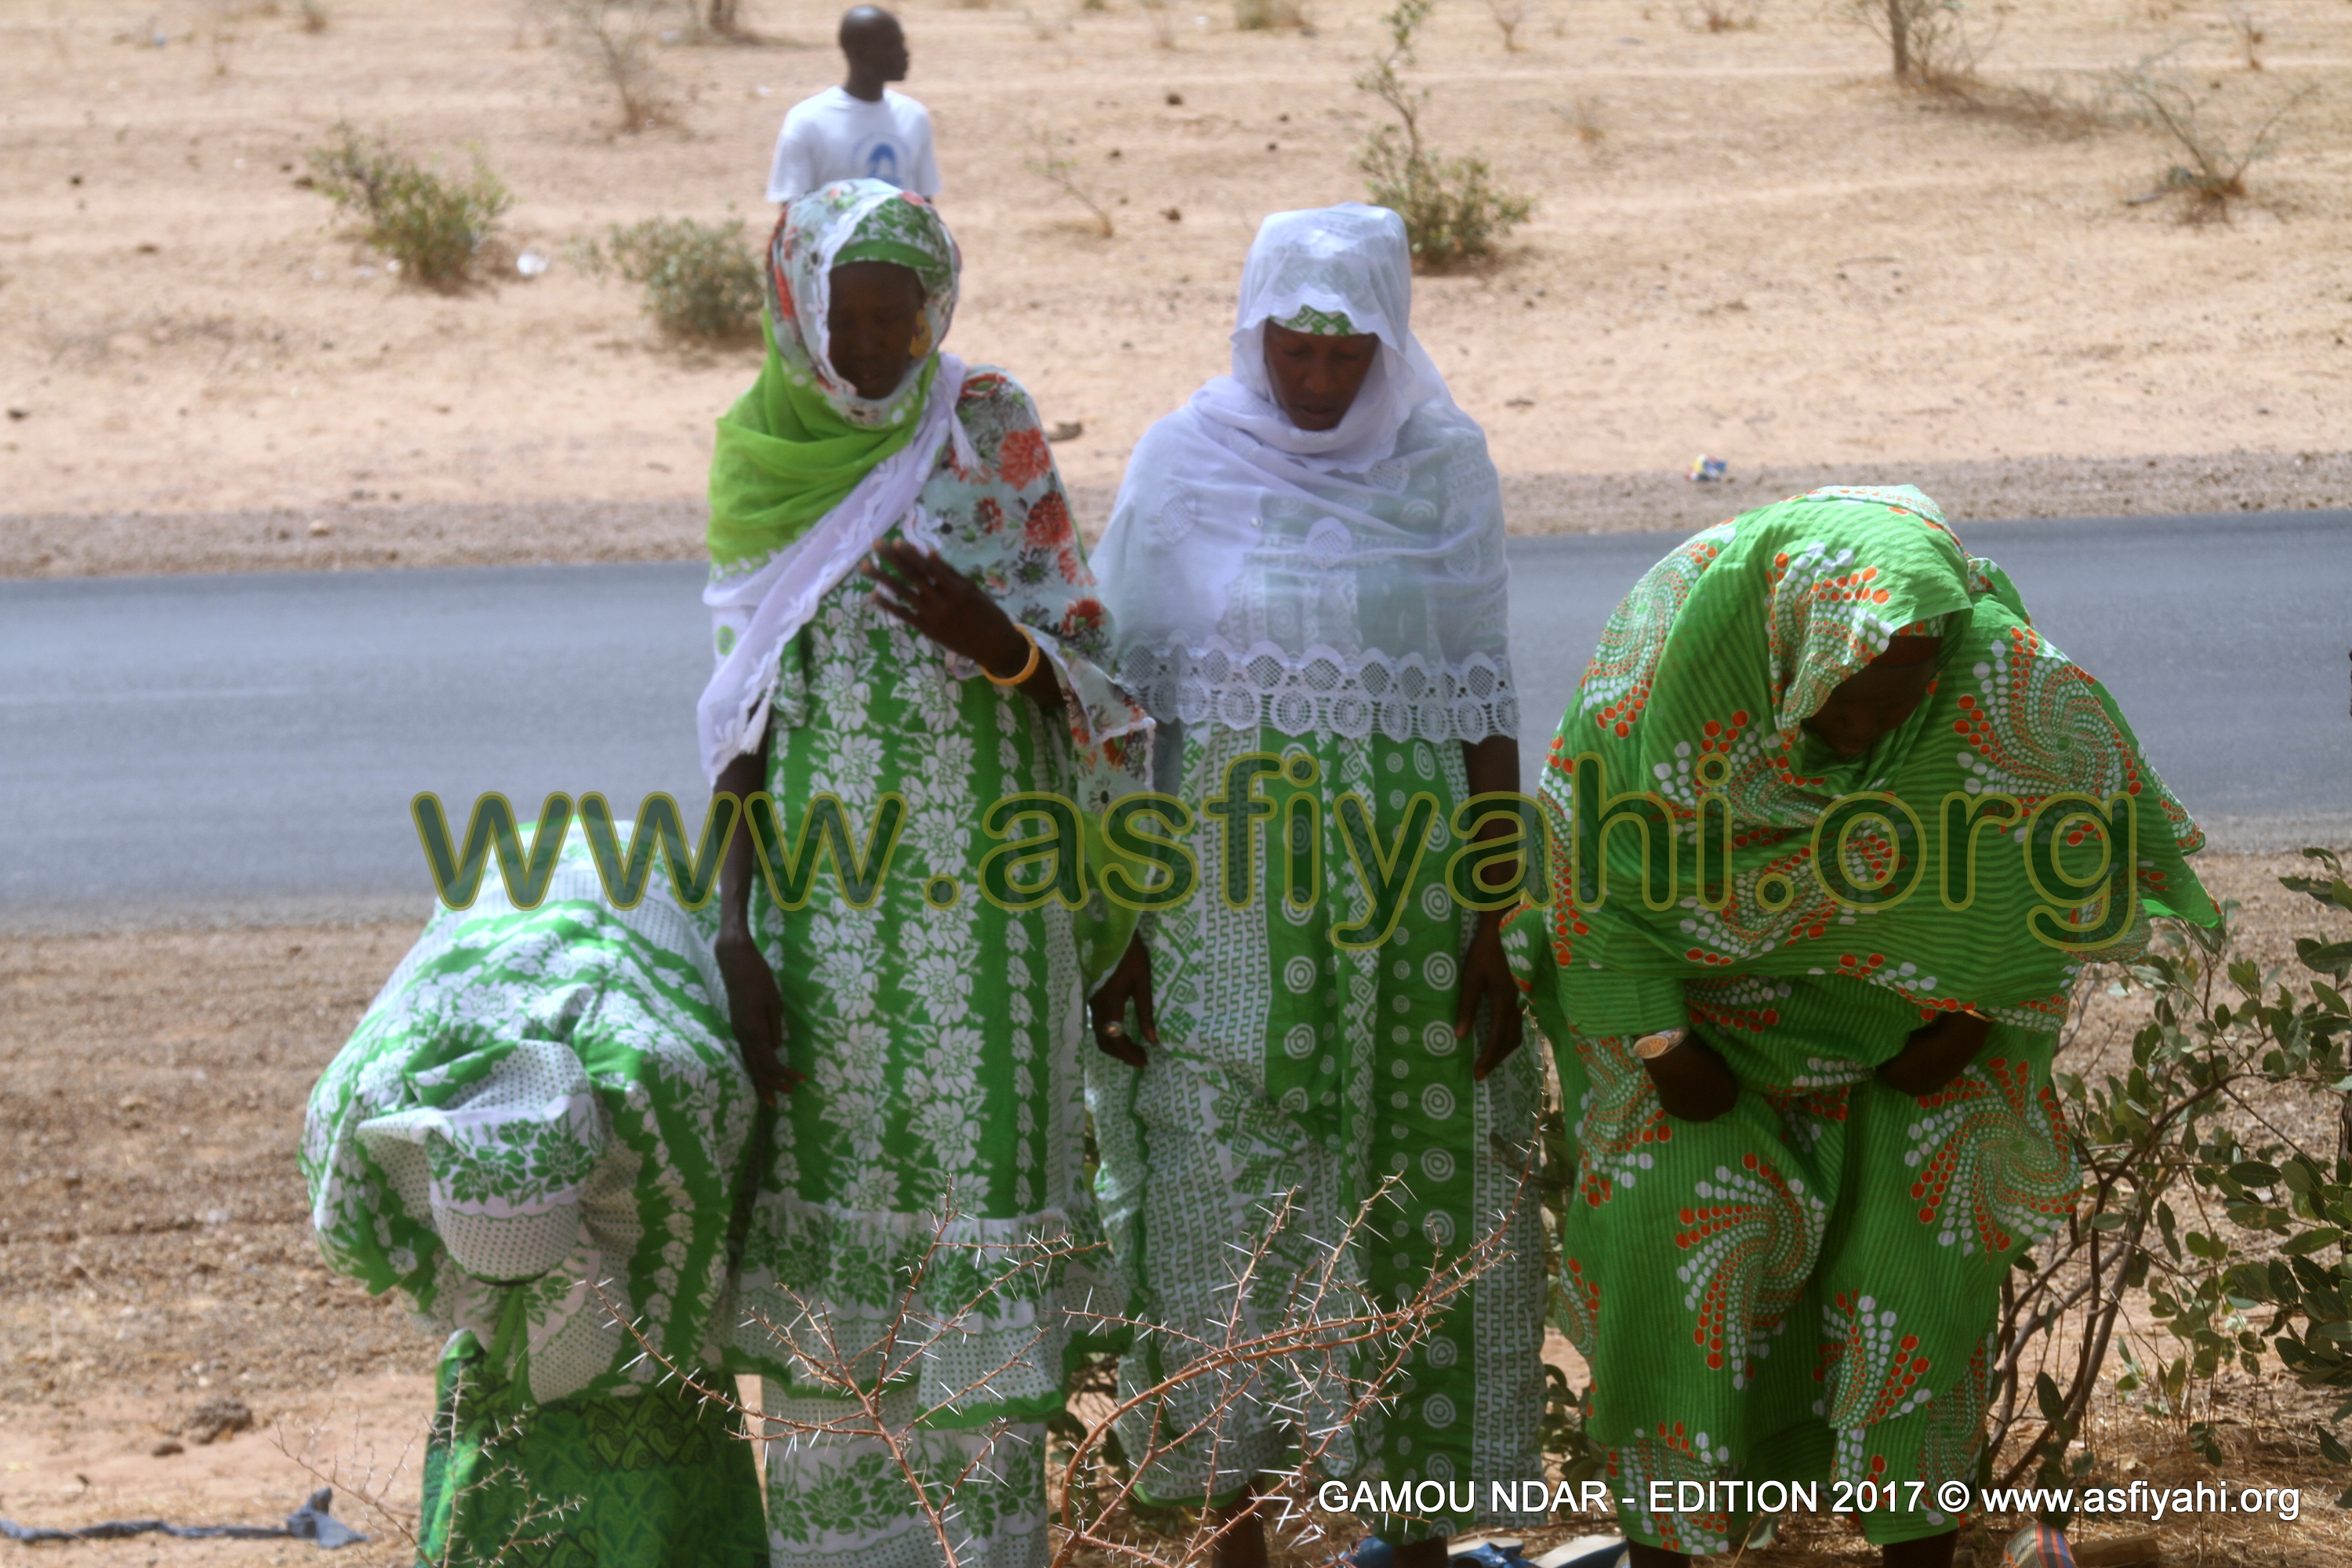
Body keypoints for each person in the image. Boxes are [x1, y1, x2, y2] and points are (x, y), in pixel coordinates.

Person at [1503, 486, 2217, 1568]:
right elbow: (1586, 868)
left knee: (1915, 1272)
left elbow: (2065, 852)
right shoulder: (1658, 679)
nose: (1874, 727)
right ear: (1794, 653)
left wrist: (1980, 1012)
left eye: (1904, 700)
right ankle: (1673, 1542)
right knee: (1678, 1256)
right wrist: (1658, 1042)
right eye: (1850, 704)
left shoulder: (1997, 676)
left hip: (1913, 1031)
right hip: (1692, 1030)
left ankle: (1917, 1539)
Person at [1086, 202, 1548, 1568]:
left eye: (1349, 353)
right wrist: (1124, 928)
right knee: (1229, 1205)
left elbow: (1484, 704)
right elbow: (1130, 717)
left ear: (1391, 340)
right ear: (1252, 332)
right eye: (1294, 347)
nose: (1319, 379)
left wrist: (1491, 920)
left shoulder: (1445, 467)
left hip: (1406, 911)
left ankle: (1406, 1544)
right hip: (1223, 905)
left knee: (1413, 1201)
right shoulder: (1181, 466)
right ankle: (1235, 1535)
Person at [698, 179, 1147, 1568]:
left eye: (906, 317)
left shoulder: (990, 424)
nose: (883, 345)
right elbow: (739, 721)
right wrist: (735, 935)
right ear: (802, 313)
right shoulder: (763, 454)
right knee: (842, 1265)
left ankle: (982, 1546)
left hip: (999, 923)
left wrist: (991, 638)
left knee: (981, 1227)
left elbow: (1096, 687)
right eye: (856, 318)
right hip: (828, 933)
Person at [303, 829, 771, 1567]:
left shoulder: (675, 1089)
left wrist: (648, 1335)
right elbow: (358, 1246)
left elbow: (709, 1237)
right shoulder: (365, 1098)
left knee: (665, 1352)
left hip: (640, 881)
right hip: (509, 885)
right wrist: (487, 1315)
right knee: (494, 1356)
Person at [765, 6, 939, 205]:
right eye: (890, 45)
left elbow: (924, 205)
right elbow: (793, 211)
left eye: (902, 43)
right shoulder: (809, 121)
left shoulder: (913, 117)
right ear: (858, 54)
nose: (905, 53)